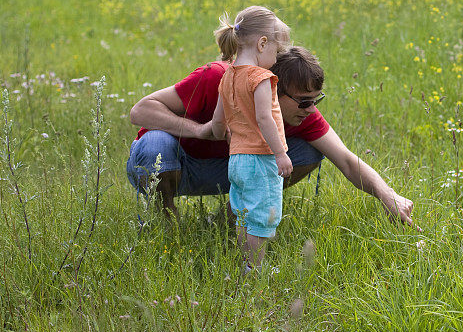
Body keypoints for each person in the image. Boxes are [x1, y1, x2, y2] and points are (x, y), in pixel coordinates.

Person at [127, 31, 415, 228]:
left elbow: (347, 161)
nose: (311, 109)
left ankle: (234, 218)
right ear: (272, 90)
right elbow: (140, 111)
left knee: (309, 150)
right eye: (303, 102)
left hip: (232, 168)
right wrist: (201, 130)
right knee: (154, 145)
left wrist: (389, 196)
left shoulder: (300, 113)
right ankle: (166, 220)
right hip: (180, 164)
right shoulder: (218, 77)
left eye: (315, 101)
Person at [209, 6, 291, 270]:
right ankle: (256, 269)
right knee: (261, 218)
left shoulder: (227, 76)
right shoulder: (261, 77)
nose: (275, 59)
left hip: (237, 160)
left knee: (244, 215)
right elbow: (265, 118)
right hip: (261, 158)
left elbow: (217, 121)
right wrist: (280, 153)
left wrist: (225, 136)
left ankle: (248, 264)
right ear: (262, 43)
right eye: (275, 52)